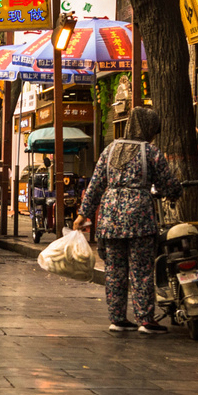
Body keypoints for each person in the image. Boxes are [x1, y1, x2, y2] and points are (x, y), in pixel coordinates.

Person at [75, 105, 184, 334]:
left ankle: (117, 319)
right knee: (142, 269)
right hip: (140, 217)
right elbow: (167, 183)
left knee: (114, 270)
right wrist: (175, 192)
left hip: (110, 216)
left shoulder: (110, 150)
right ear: (147, 128)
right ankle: (145, 319)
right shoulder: (151, 151)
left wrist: (83, 214)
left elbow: (95, 184)